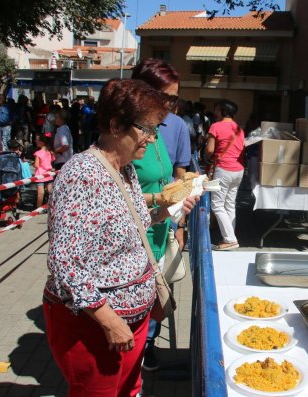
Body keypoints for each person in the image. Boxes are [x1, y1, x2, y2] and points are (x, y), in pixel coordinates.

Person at [43, 78, 197, 397]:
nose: (153, 140)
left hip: (132, 321)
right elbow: (66, 264)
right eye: (147, 130)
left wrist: (173, 210)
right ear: (116, 125)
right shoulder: (82, 176)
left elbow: (131, 224)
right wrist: (109, 320)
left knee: (129, 390)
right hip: (96, 328)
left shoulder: (124, 169)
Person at [130, 58, 191, 372]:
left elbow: (173, 179)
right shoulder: (125, 134)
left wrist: (180, 211)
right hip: (131, 242)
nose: (170, 106)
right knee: (134, 314)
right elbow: (114, 194)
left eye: (174, 99)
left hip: (156, 231)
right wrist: (159, 199)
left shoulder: (162, 132)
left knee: (154, 302)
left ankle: (144, 351)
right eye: (165, 98)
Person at [205, 99, 245, 251]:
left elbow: (210, 150)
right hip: (238, 170)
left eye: (216, 109)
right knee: (229, 204)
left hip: (223, 169)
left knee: (217, 204)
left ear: (221, 110)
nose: (215, 112)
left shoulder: (216, 126)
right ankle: (229, 236)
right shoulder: (239, 129)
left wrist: (208, 157)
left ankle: (230, 239)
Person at [33, 132, 55, 209]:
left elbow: (36, 165)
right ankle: (51, 206)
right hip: (48, 175)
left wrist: (33, 164)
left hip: (40, 175)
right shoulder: (49, 152)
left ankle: (38, 208)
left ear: (42, 142)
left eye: (37, 140)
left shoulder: (38, 153)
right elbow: (51, 162)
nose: (36, 141)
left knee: (40, 193)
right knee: (50, 191)